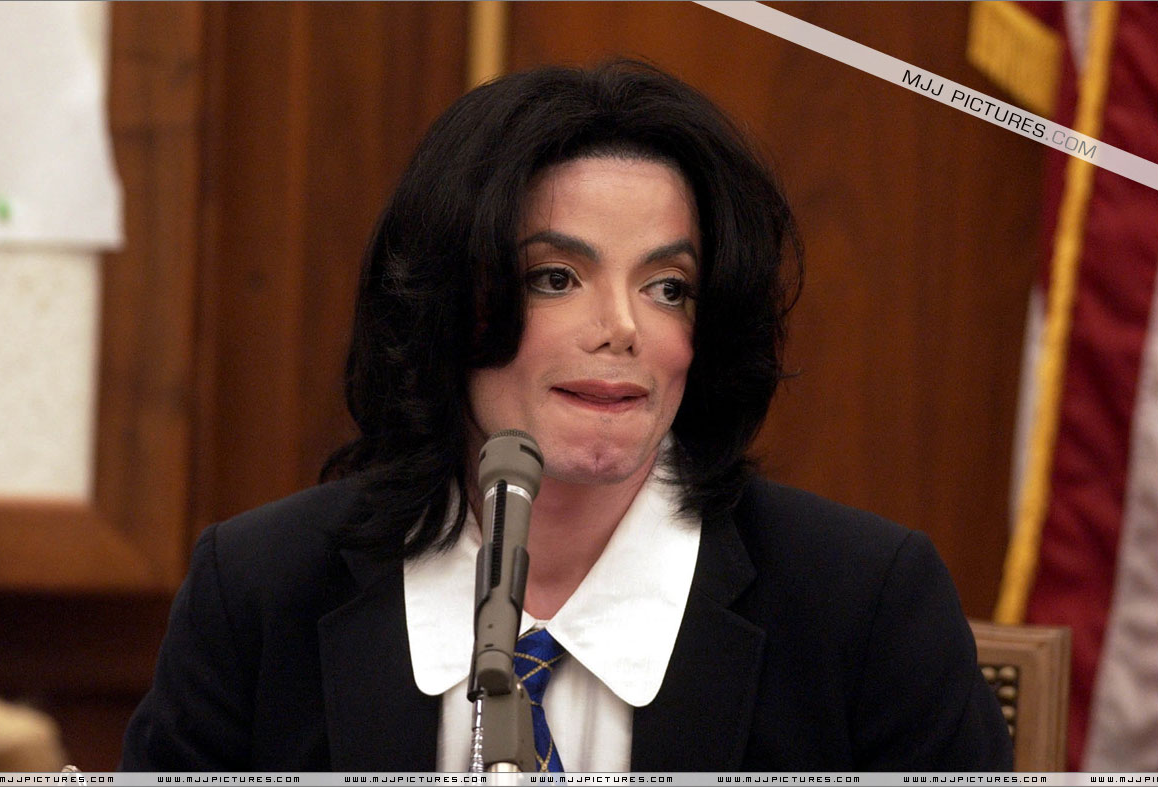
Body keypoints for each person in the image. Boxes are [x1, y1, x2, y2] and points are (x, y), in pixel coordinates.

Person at [121, 60, 1013, 771]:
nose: (622, 327)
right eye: (557, 277)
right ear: (447, 304)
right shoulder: (258, 592)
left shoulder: (865, 606)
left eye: (668, 287)